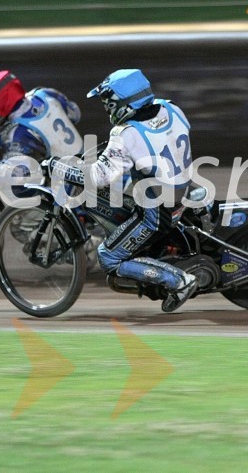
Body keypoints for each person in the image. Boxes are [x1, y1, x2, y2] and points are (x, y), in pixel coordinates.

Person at [45, 69, 197, 313]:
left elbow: (98, 177)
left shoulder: (125, 134)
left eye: (108, 102)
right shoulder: (172, 109)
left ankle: (179, 281)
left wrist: (58, 167)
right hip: (183, 189)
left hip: (156, 211)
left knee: (108, 256)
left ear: (122, 103)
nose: (107, 109)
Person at [0, 70, 83, 178]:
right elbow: (75, 114)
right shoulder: (45, 93)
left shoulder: (17, 134)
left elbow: (13, 173)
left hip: (69, 187)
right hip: (87, 160)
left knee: (18, 192)